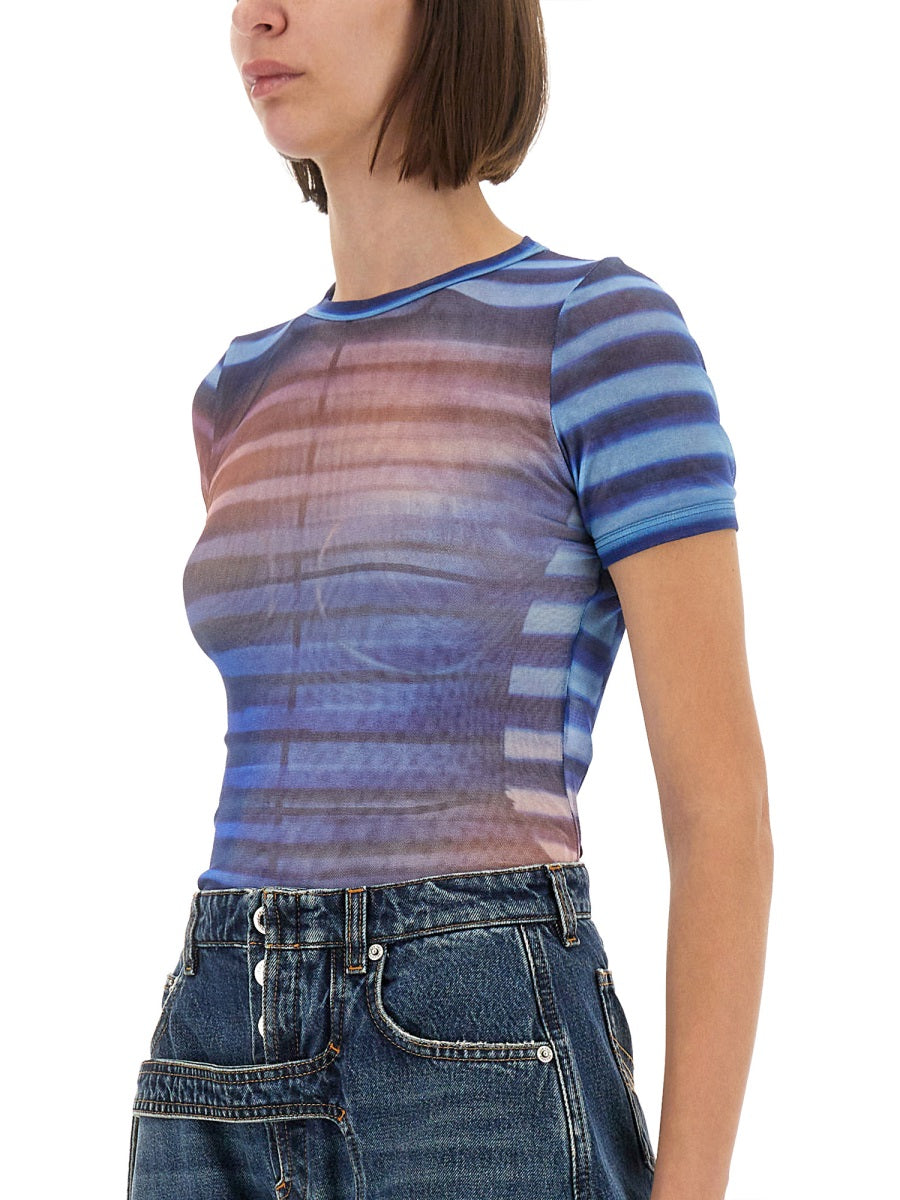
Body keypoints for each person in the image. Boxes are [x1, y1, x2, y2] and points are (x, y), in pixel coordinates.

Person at [127, 2, 773, 1198]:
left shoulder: (598, 332)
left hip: (476, 1044)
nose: (257, 17)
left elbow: (719, 810)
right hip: (215, 1024)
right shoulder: (238, 390)